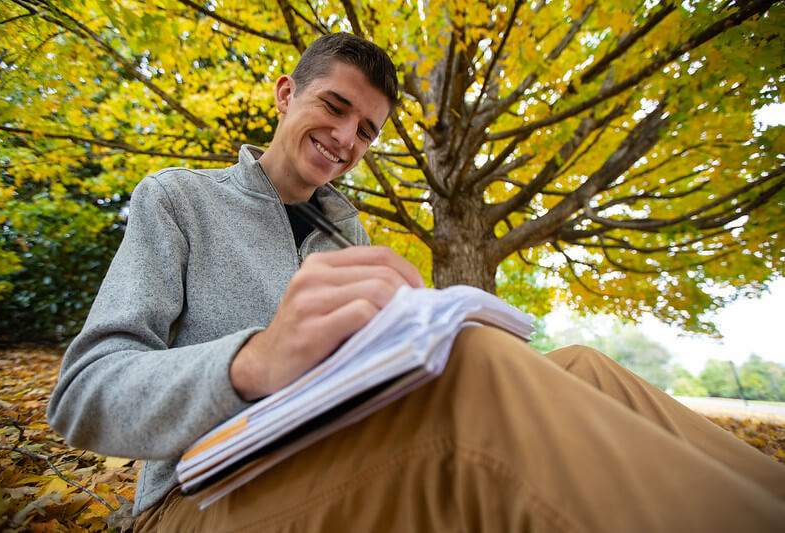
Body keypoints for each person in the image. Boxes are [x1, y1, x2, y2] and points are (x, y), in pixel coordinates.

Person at [47, 33, 785, 532]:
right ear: (285, 94)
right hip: (198, 501)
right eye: (334, 107)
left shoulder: (351, 238)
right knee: (479, 374)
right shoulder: (179, 199)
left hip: (330, 454)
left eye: (367, 130)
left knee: (586, 366)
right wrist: (252, 362)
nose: (346, 139)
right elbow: (83, 396)